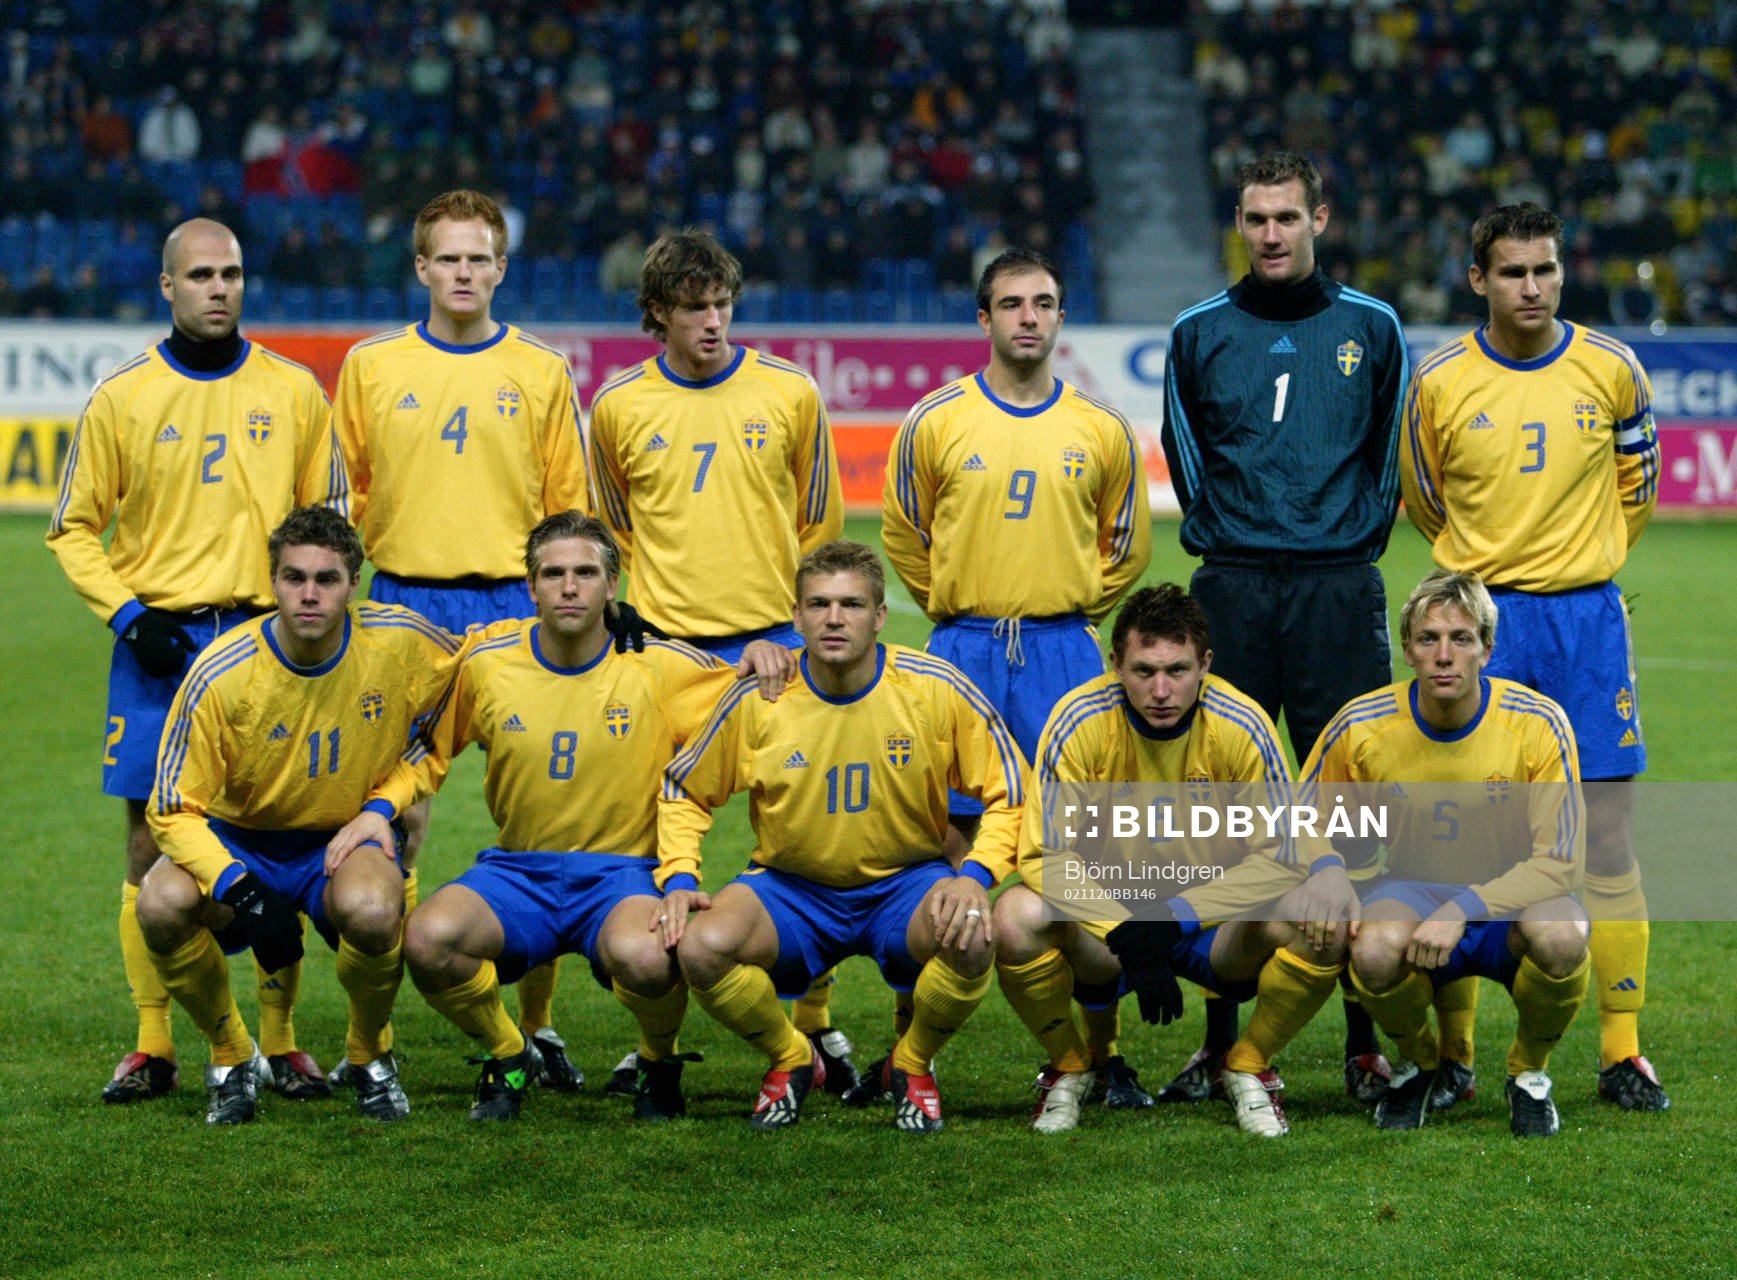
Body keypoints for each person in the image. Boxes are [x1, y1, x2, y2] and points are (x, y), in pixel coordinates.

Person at [47, 217, 346, 1106]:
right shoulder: (122, 396)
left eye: (233, 274)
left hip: (267, 646)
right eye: (202, 275)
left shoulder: (294, 391)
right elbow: (72, 527)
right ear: (167, 288)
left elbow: (326, 515)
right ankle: (156, 1044)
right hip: (159, 648)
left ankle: (283, 1043)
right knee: (150, 847)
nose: (221, 288)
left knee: (278, 834)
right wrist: (130, 616)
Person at [350, 512, 778, 1120]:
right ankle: (509, 1053)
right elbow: (430, 749)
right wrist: (379, 809)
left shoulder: (660, 664)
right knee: (428, 939)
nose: (569, 587)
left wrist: (764, 650)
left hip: (621, 877)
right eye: (553, 574)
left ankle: (658, 1061)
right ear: (531, 587)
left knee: (653, 956)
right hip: (517, 872)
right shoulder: (488, 660)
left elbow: (748, 686)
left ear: (612, 584)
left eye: (585, 573)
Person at [331, 189, 602, 1090]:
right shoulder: (371, 366)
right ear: (420, 268)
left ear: (500, 266)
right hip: (405, 607)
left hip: (511, 612)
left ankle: (539, 1026)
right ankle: (370, 1047)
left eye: (477, 258)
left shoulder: (540, 370)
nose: (462, 273)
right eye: (446, 258)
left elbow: (569, 504)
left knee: (545, 814)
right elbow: (345, 494)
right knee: (398, 811)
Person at [1401, 202, 1667, 1112]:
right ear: (1477, 279)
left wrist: (1580, 569)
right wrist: (1496, 586)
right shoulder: (1437, 382)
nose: (1532, 287)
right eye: (1512, 272)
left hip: (1588, 627)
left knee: (1605, 836)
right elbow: (1426, 502)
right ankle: (1456, 1056)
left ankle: (1620, 1049)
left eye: (1544, 270)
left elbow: (1640, 485)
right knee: (1467, 842)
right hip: (1485, 625)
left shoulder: (1611, 368)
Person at [1159, 150, 1411, 1104]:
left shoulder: (1371, 328)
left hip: (1337, 589)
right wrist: (1244, 542)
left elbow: (1386, 462)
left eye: (1286, 218)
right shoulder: (1198, 333)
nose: (1270, 234)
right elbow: (1188, 461)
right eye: (1255, 218)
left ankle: (1358, 1038)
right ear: (1238, 220)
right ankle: (1220, 1036)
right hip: (1229, 587)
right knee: (1224, 811)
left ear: (1320, 219)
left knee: (1348, 806)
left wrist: (1336, 546)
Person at [880, 246, 1152, 1104]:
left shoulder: (1101, 429)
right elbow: (901, 537)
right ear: (983, 319)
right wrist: (962, 611)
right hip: (958, 654)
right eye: (1010, 303)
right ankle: (909, 1054)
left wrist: (1067, 612)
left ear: (1060, 316)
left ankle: (1099, 1058)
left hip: (1067, 655)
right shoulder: (934, 420)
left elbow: (1128, 546)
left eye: (1042, 303)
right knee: (935, 845)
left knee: (1082, 856)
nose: (1027, 317)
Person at [588, 228, 848, 1093]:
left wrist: (790, 625)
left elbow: (819, 526)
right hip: (664, 652)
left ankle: (814, 1025)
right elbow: (611, 525)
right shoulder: (619, 405)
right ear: (656, 312)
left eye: (721, 304)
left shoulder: (788, 391)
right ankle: (656, 1046)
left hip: (771, 647)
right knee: (642, 841)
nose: (711, 320)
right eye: (693, 306)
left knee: (804, 834)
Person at [663, 542, 1025, 1132]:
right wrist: (680, 876)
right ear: (797, 616)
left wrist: (975, 875)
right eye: (820, 605)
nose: (835, 619)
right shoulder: (763, 694)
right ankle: (794, 1057)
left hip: (905, 883)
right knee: (701, 946)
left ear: (880, 616)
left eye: (852, 605)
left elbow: (1012, 788)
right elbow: (684, 789)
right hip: (790, 889)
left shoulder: (932, 687)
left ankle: (910, 1065)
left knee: (973, 933)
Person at [133, 507, 460, 1124]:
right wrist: (240, 887)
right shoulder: (221, 673)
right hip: (240, 840)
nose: (309, 594)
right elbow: (172, 809)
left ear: (354, 584)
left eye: (327, 579)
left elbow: (465, 699)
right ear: (273, 581)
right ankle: (231, 1057)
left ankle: (367, 1055)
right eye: (293, 578)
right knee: (160, 902)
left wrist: (384, 805)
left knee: (372, 908)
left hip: (339, 840)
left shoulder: (401, 641)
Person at [997, 584, 1345, 1137]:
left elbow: (1280, 856)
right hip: (1111, 924)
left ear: (1205, 663)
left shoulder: (1242, 724)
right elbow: (1046, 857)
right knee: (1015, 916)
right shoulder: (1077, 721)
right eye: (1143, 670)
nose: (1161, 690)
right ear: (1115, 664)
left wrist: (1173, 916)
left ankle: (1248, 1064)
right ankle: (1072, 1065)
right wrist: (1128, 932)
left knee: (1320, 918)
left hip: (1214, 924)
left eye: (1178, 670)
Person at [1299, 570, 1590, 1137]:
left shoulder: (1537, 723)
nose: (1444, 655)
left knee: (1564, 933)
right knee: (1374, 953)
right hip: (1411, 886)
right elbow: (1302, 813)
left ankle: (1529, 1073)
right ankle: (1421, 1066)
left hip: (1512, 895)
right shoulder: (1361, 725)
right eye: (1428, 639)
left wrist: (1462, 909)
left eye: (1461, 639)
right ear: (1406, 649)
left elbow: (1560, 860)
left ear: (1488, 647)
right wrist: (1328, 868)